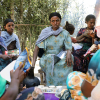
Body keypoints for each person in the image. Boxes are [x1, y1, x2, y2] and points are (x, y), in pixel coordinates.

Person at [32, 12, 73, 86]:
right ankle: (51, 86)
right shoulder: (45, 32)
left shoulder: (65, 33)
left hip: (60, 55)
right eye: (53, 21)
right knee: (50, 59)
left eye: (57, 20)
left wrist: (69, 53)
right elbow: (36, 48)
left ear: (60, 21)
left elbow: (68, 47)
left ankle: (64, 86)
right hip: (48, 55)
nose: (55, 23)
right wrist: (33, 65)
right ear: (50, 22)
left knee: (70, 58)